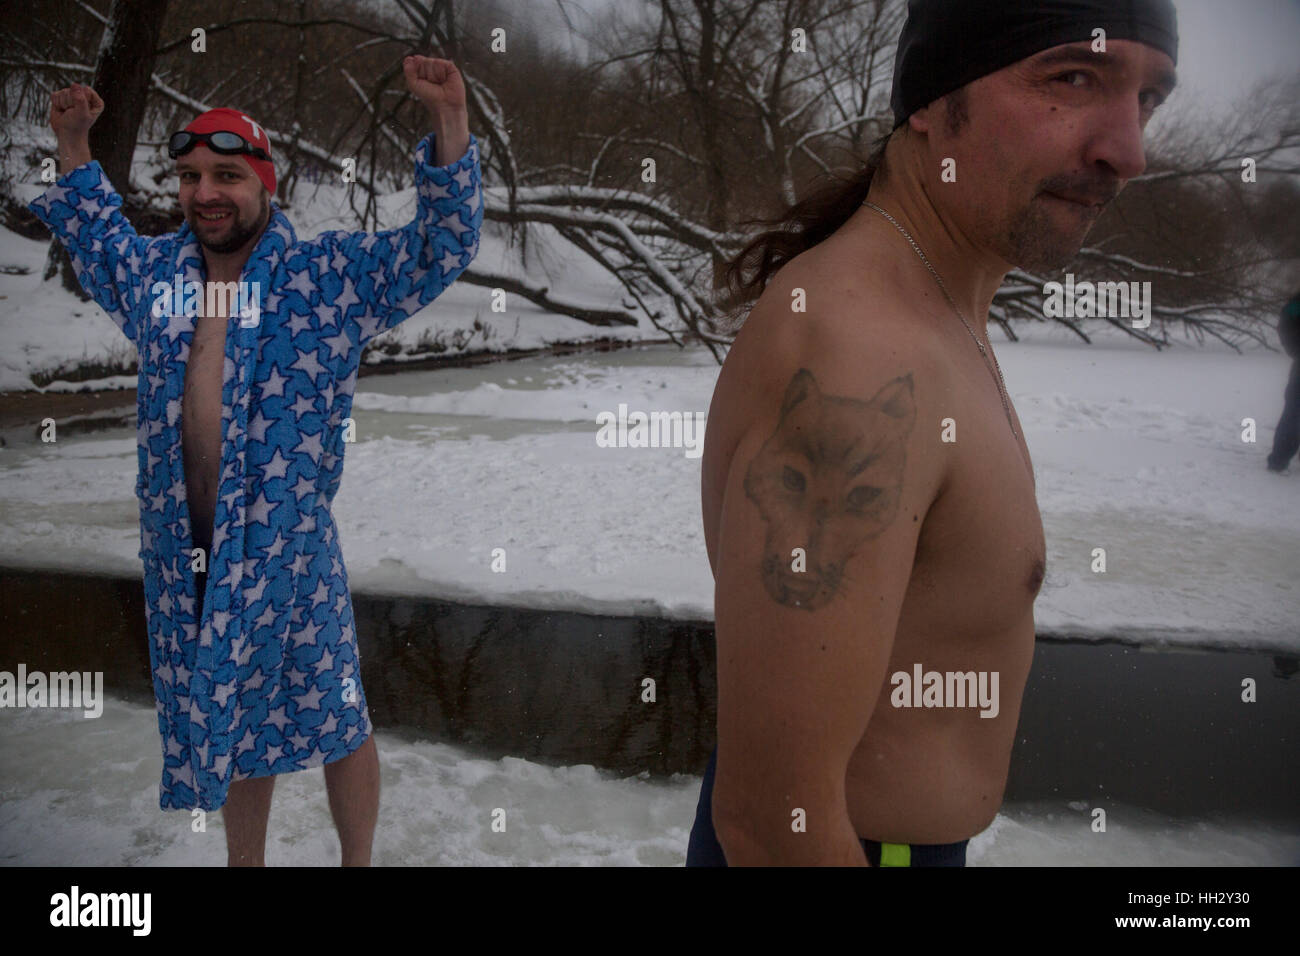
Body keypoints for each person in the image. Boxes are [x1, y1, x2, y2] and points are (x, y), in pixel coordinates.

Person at [688, 0, 1178, 866]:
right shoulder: (858, 347)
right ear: (929, 95)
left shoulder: (933, 308)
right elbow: (773, 825)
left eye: (1148, 99)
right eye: (1073, 78)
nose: (1126, 151)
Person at [28, 55, 482, 866]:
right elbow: (96, 234)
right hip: (190, 561)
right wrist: (72, 140)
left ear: (265, 184)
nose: (205, 192)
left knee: (341, 721)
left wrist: (449, 123)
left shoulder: (325, 280)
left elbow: (439, 245)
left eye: (227, 175)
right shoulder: (161, 279)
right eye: (191, 175)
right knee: (231, 721)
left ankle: (358, 864)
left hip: (292, 560)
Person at [1266, 292, 1300, 473]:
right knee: (1294, 412)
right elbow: (1286, 326)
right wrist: (1296, 350)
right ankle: (1279, 460)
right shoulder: (1297, 303)